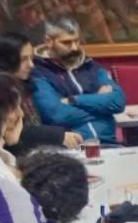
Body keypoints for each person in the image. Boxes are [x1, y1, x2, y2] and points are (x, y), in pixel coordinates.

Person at [0, 33, 79, 149]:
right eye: (24, 59)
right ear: (5, 60)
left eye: (31, 58)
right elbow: (12, 133)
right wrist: (57, 136)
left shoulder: (22, 82)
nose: (31, 65)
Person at [28, 15, 125, 144]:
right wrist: (102, 108)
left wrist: (73, 100)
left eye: (77, 41)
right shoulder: (39, 72)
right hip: (71, 147)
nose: (74, 48)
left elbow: (118, 102)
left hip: (109, 143)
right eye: (67, 42)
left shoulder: (91, 65)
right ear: (49, 41)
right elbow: (56, 115)